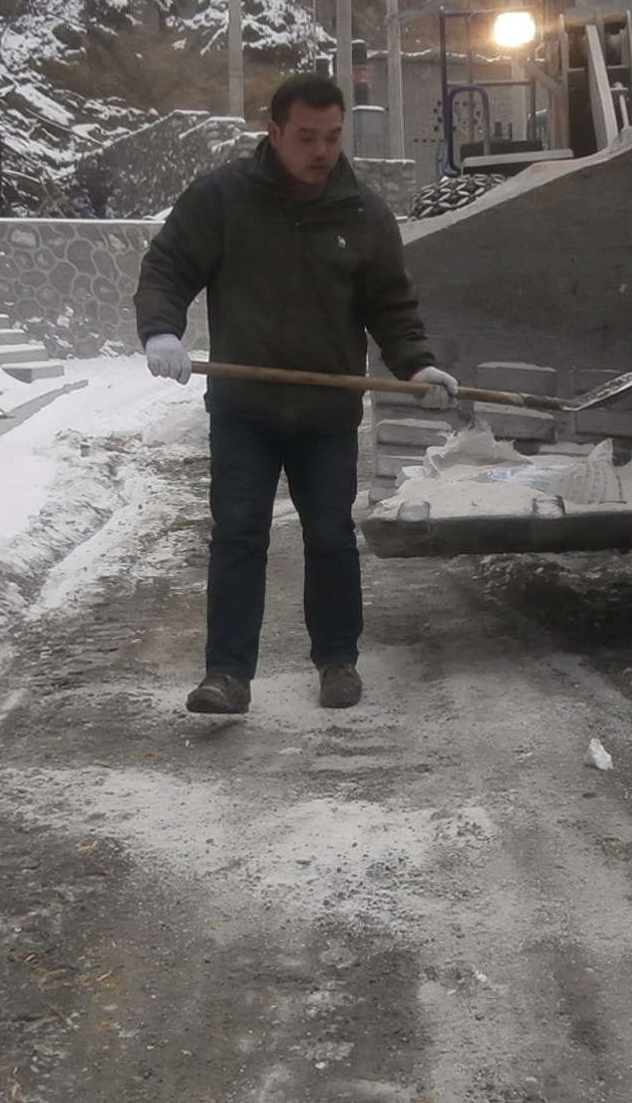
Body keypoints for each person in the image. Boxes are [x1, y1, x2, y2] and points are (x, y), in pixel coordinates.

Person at [135, 74, 458, 716]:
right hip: (243, 410)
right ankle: (227, 675)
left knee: (331, 536)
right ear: (275, 131)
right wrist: (161, 330)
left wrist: (416, 366)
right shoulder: (224, 198)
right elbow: (168, 265)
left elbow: (390, 306)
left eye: (332, 137)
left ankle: (338, 661)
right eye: (306, 137)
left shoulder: (361, 213)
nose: (321, 151)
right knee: (239, 534)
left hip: (325, 415)